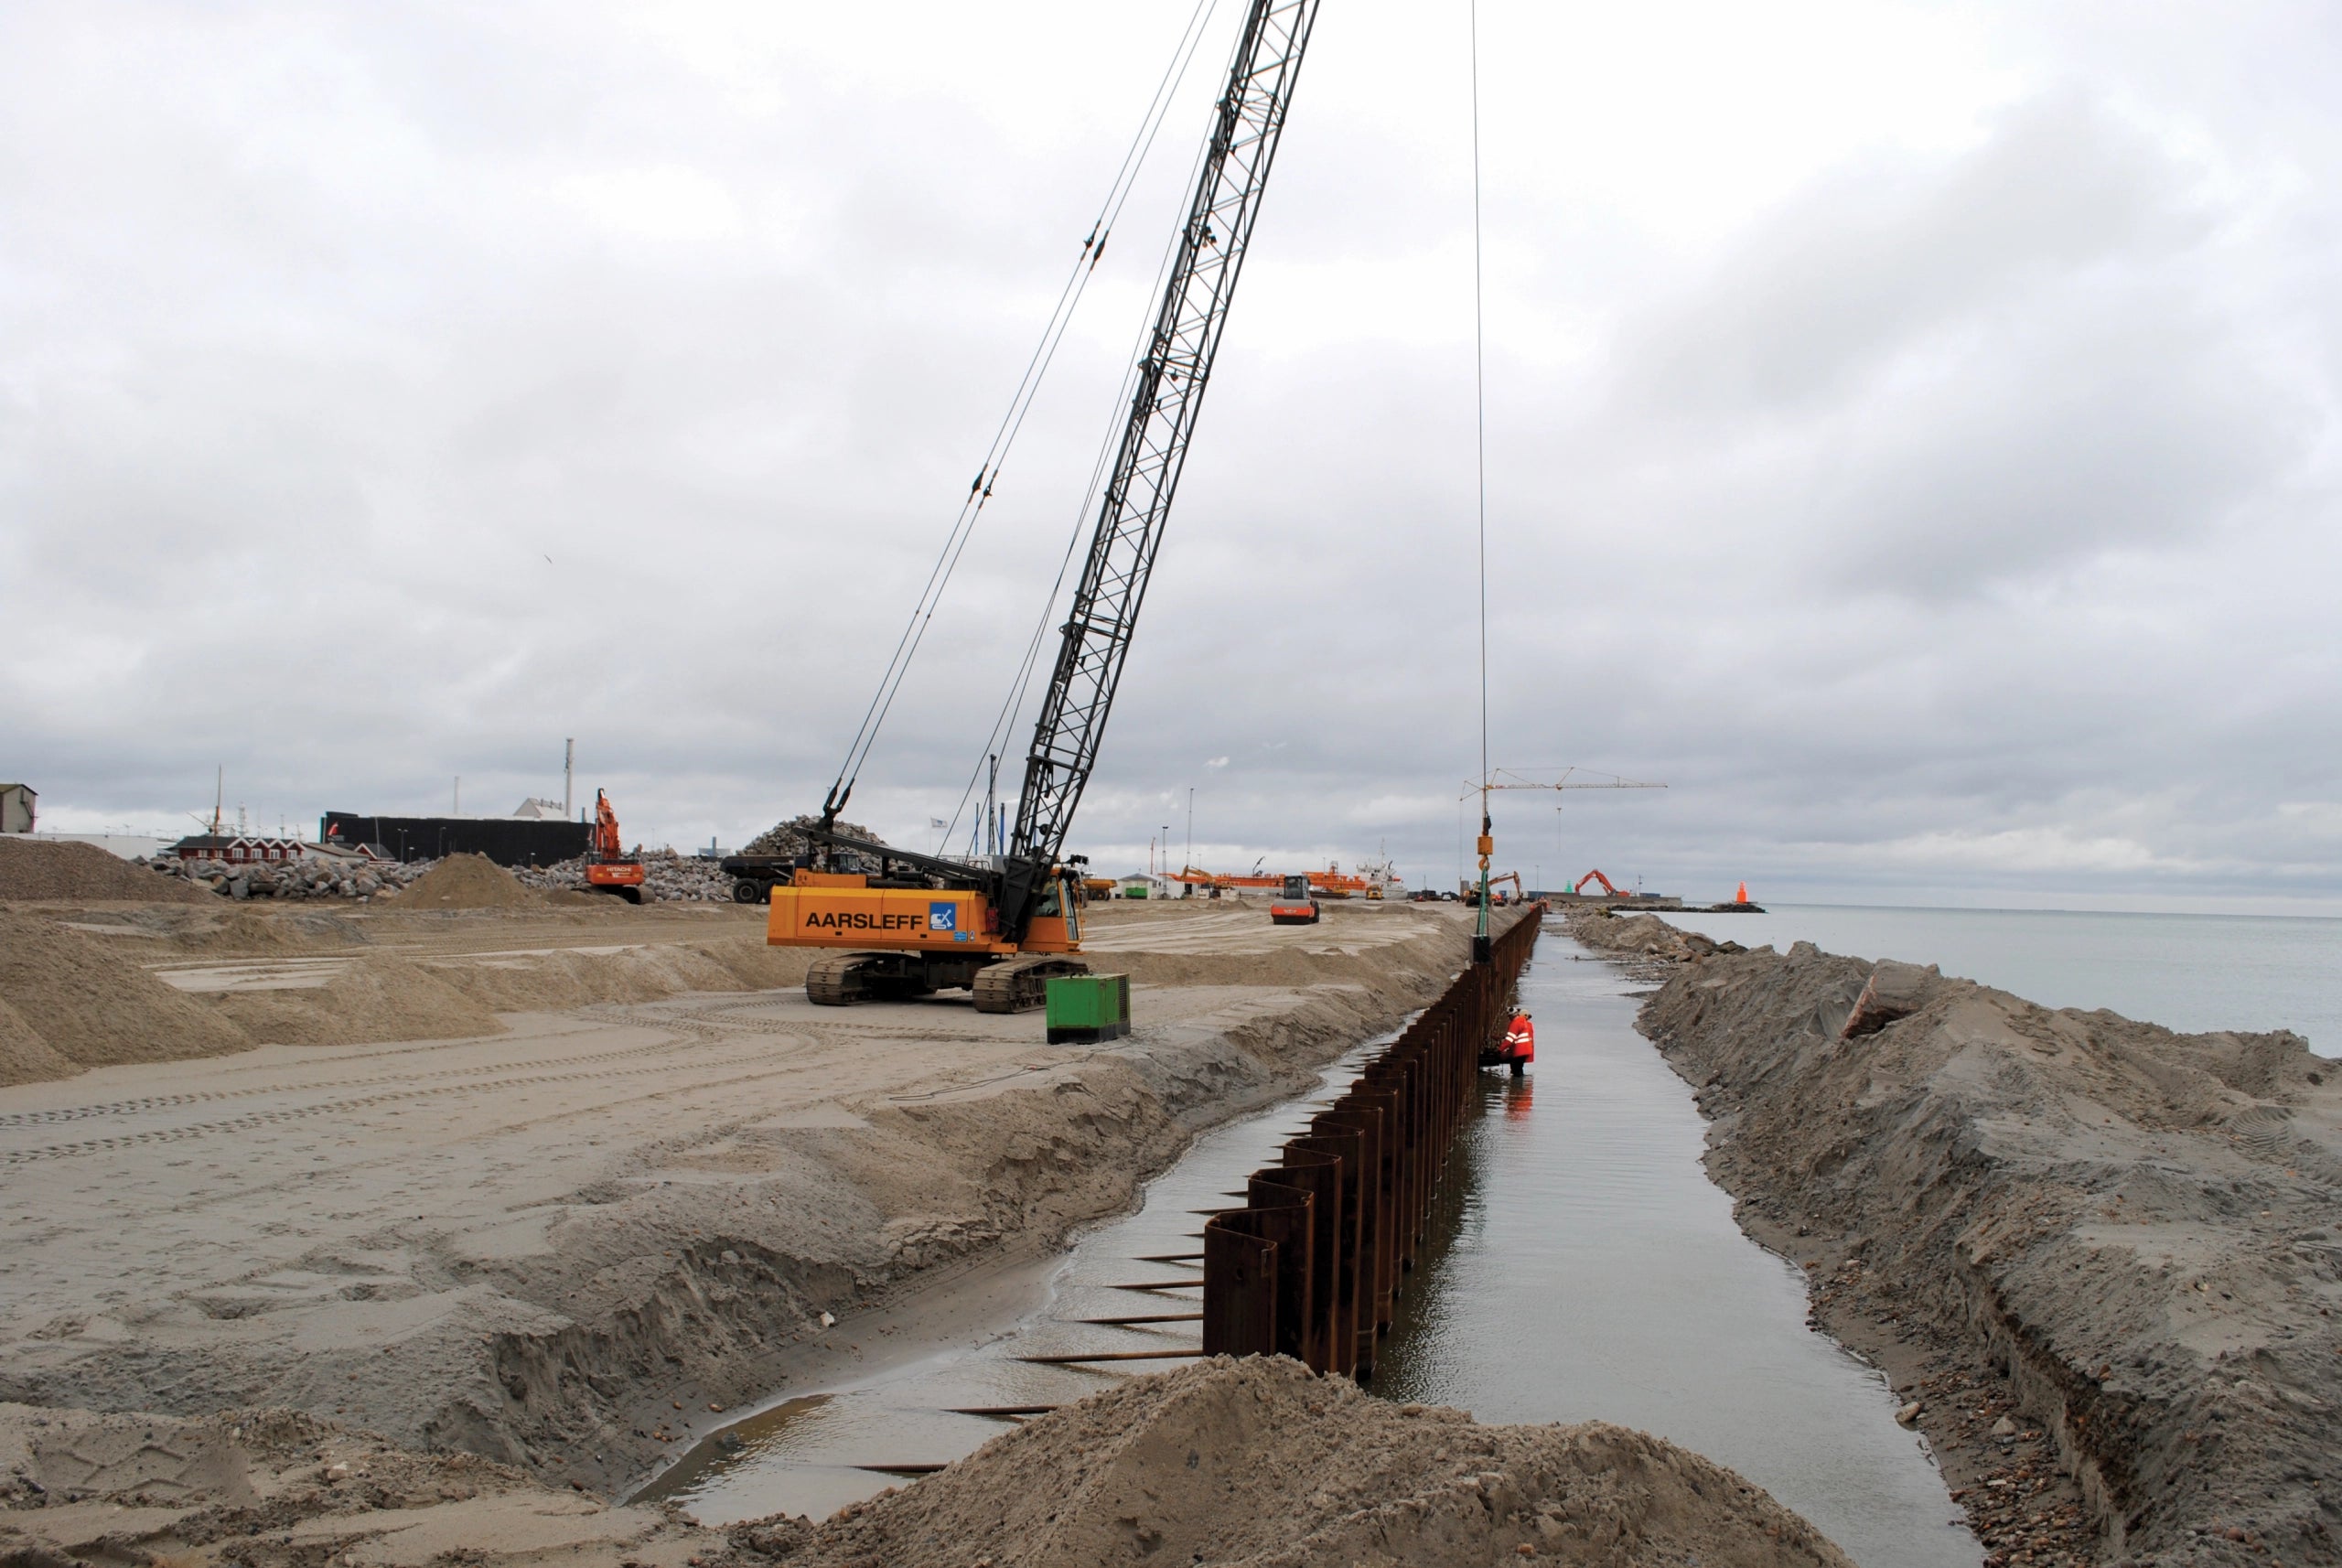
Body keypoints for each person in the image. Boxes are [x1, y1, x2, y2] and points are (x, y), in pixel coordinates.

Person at [1502, 1010, 1534, 1077]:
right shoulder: (1528, 1025)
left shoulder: (1518, 1024)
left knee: (1516, 1070)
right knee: (1519, 1069)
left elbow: (1512, 1038)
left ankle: (1516, 1085)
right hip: (1524, 1050)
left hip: (1519, 1051)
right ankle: (1517, 1085)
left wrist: (1501, 1049)